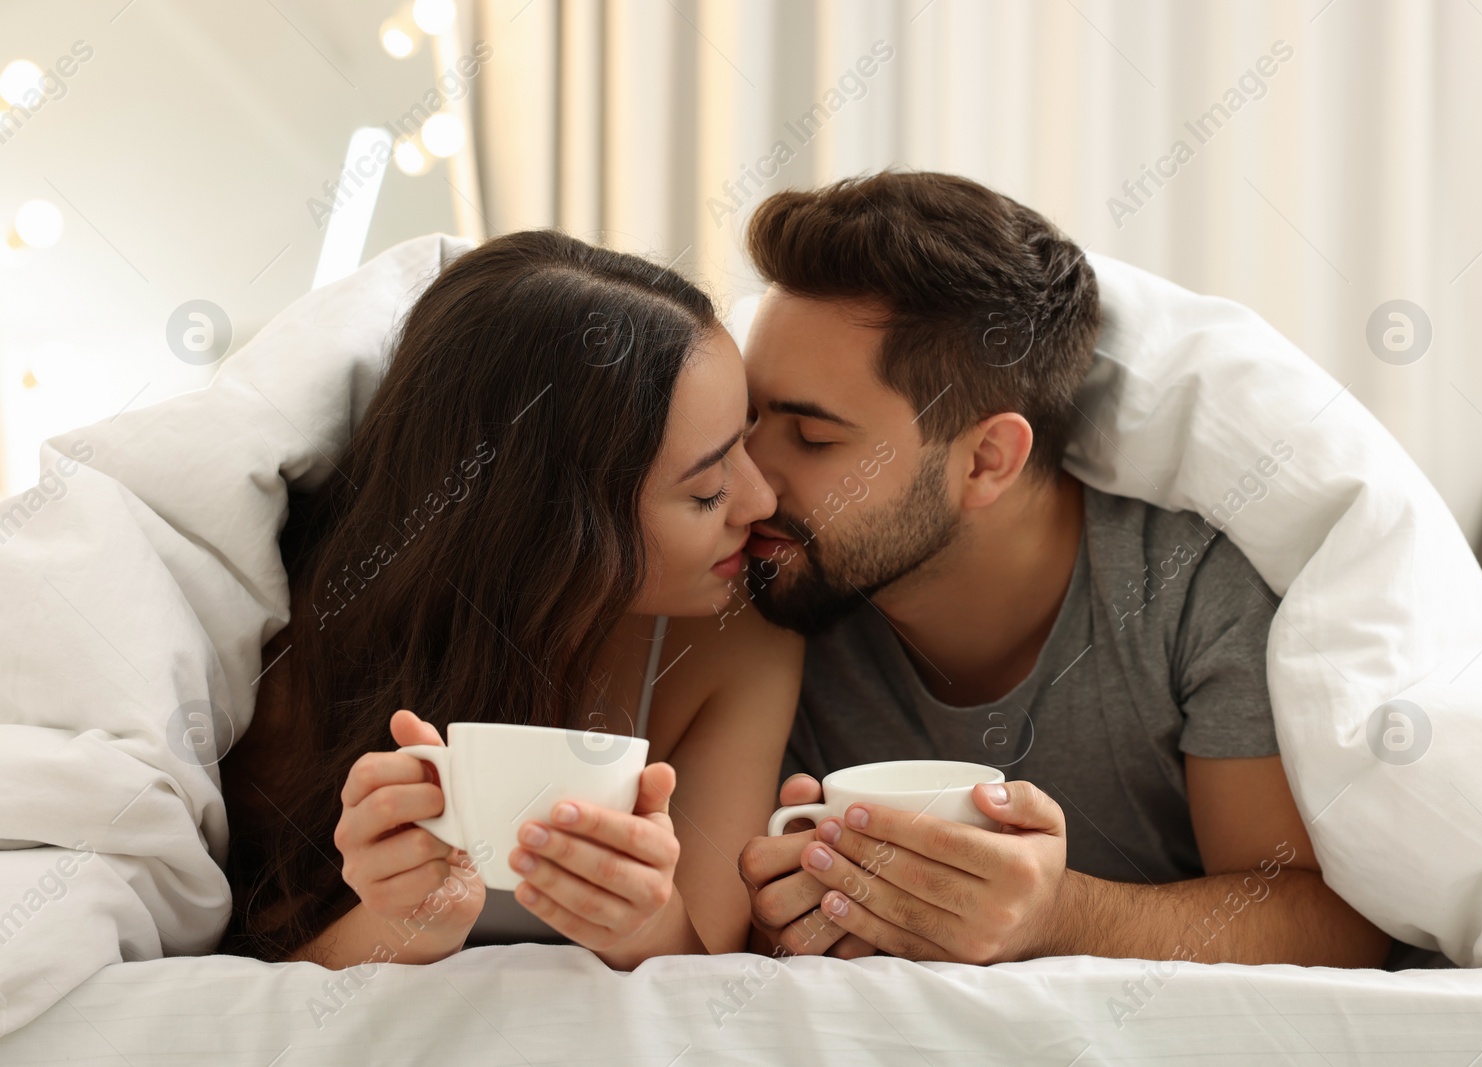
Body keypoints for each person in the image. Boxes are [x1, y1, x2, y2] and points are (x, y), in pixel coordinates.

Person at [733, 171, 1393, 968]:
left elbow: (1326, 920)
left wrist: (1059, 915)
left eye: (810, 437)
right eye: (747, 418)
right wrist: (774, 917)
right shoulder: (766, 581)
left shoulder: (1189, 589)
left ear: (986, 459)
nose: (745, 480)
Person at [218, 230, 801, 971]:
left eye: (743, 439)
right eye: (708, 488)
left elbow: (708, 983)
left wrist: (644, 928)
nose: (761, 497)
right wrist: (405, 924)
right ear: (553, 528)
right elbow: (249, 980)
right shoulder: (300, 657)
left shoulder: (739, 639)